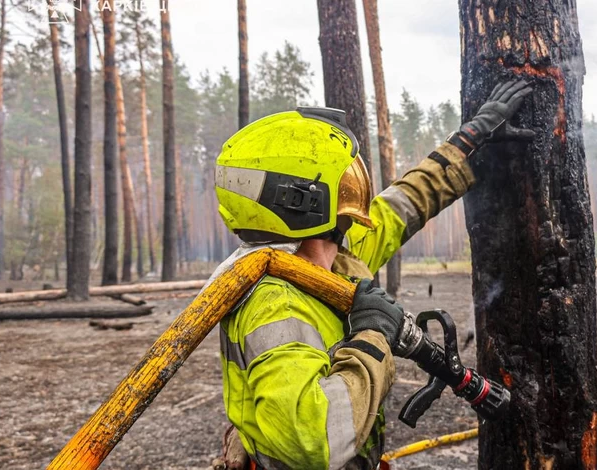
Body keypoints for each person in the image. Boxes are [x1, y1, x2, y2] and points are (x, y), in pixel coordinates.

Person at [212, 80, 533, 470]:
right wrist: (373, 336)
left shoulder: (329, 258)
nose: (353, 188)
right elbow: (314, 441)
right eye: (343, 180)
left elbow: (400, 206)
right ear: (304, 200)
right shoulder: (274, 305)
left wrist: (466, 145)